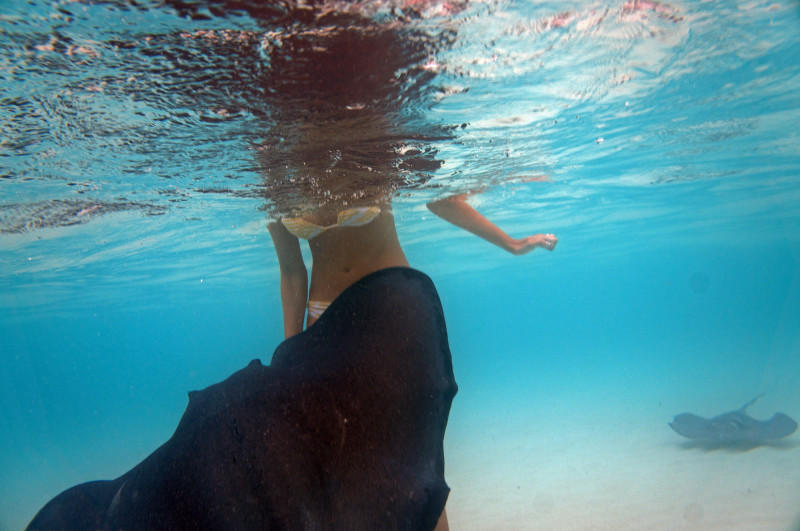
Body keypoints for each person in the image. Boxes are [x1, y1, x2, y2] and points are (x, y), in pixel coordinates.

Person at [268, 191, 557, 530]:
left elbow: (439, 197)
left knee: (416, 466)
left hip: (392, 316)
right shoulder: (274, 164)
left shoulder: (369, 142)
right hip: (322, 324)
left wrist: (512, 244)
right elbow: (291, 270)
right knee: (339, 464)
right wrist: (288, 357)